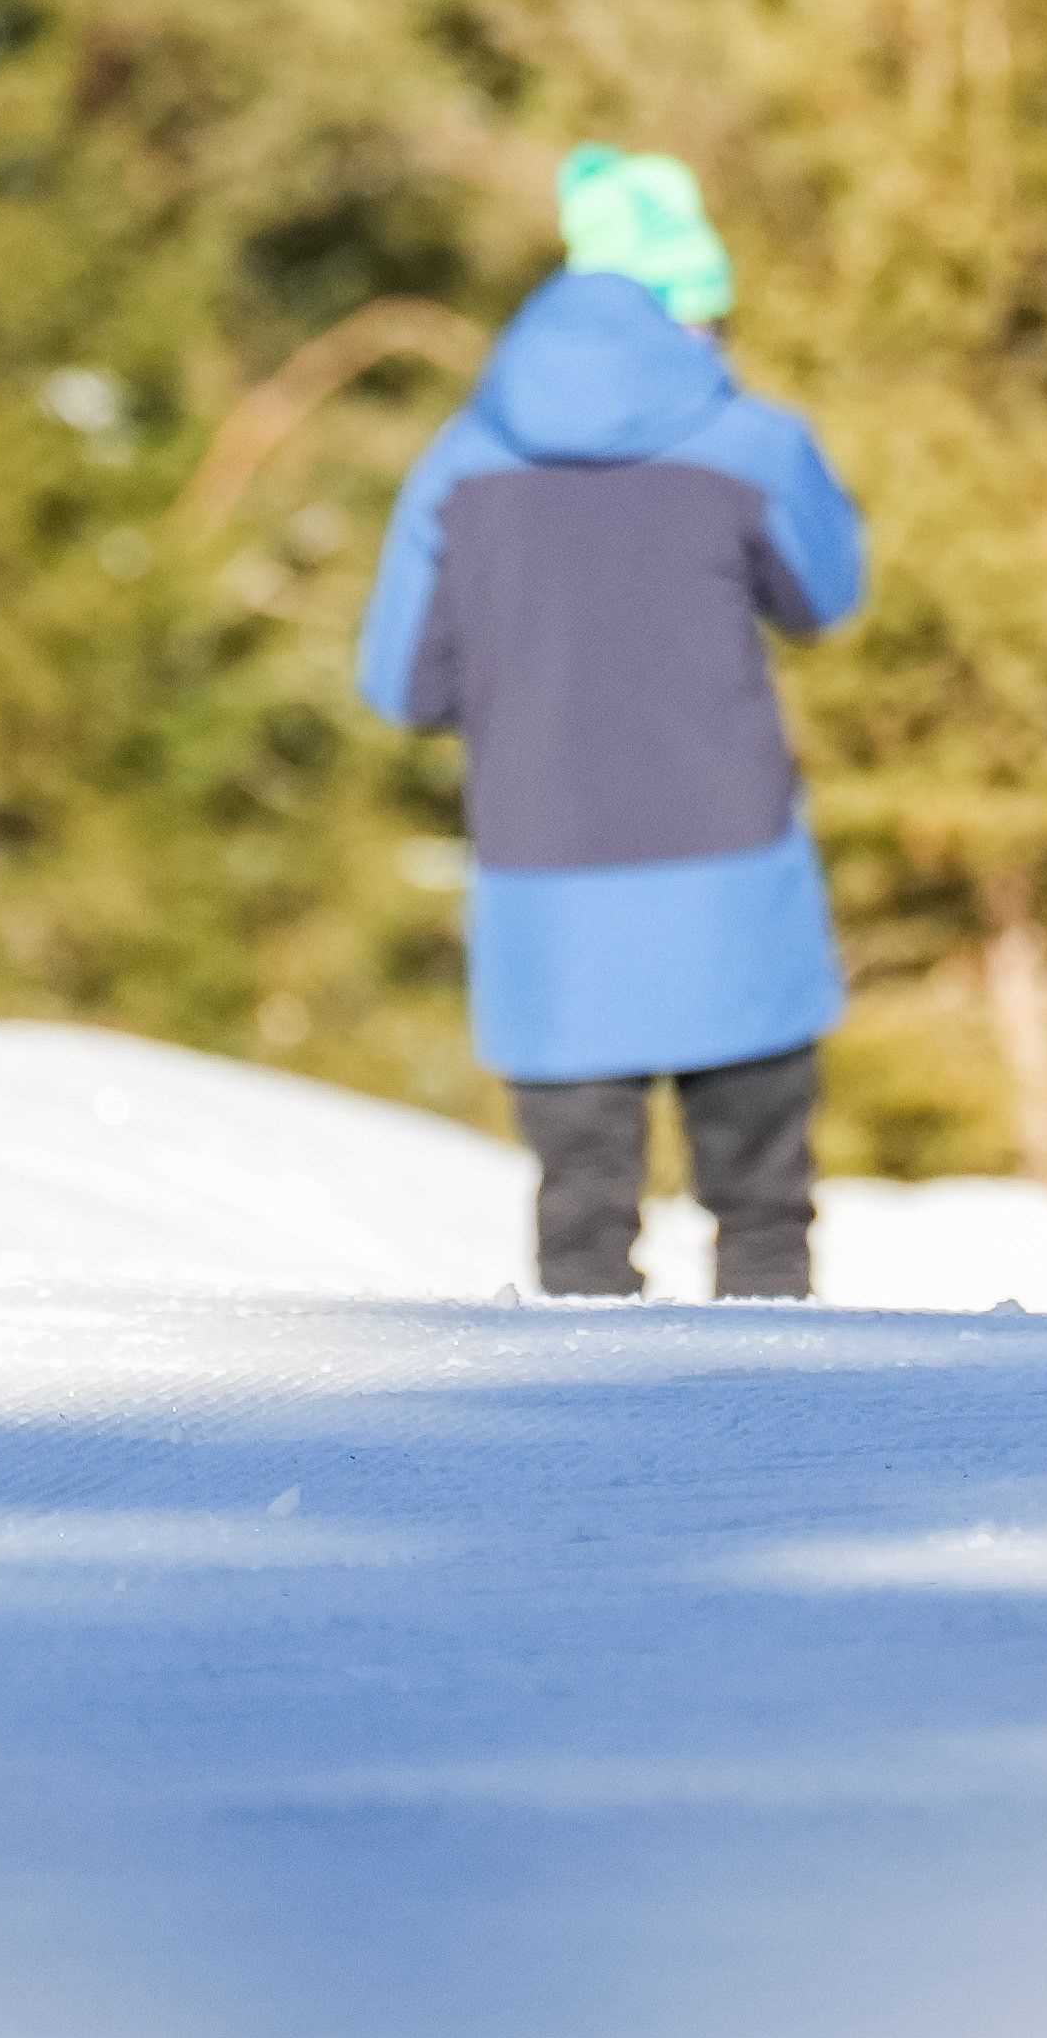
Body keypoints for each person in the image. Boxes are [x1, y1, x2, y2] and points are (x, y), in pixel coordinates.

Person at [356, 147, 873, 1301]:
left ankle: (596, 1484)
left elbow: (401, 682)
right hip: (735, 887)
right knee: (762, 1221)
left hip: (548, 897)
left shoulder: (459, 463)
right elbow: (827, 597)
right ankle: (783, 1468)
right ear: (693, 310)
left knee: (583, 1234)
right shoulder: (753, 441)